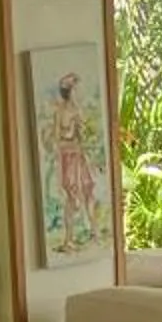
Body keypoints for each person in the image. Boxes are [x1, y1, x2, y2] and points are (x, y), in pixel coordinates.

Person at [46, 71, 104, 257]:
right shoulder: (60, 112)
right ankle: (68, 239)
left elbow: (83, 137)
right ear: (69, 91)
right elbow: (56, 138)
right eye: (76, 89)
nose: (79, 93)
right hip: (68, 158)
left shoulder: (78, 111)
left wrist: (88, 154)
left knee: (88, 192)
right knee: (72, 199)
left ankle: (95, 232)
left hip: (78, 156)